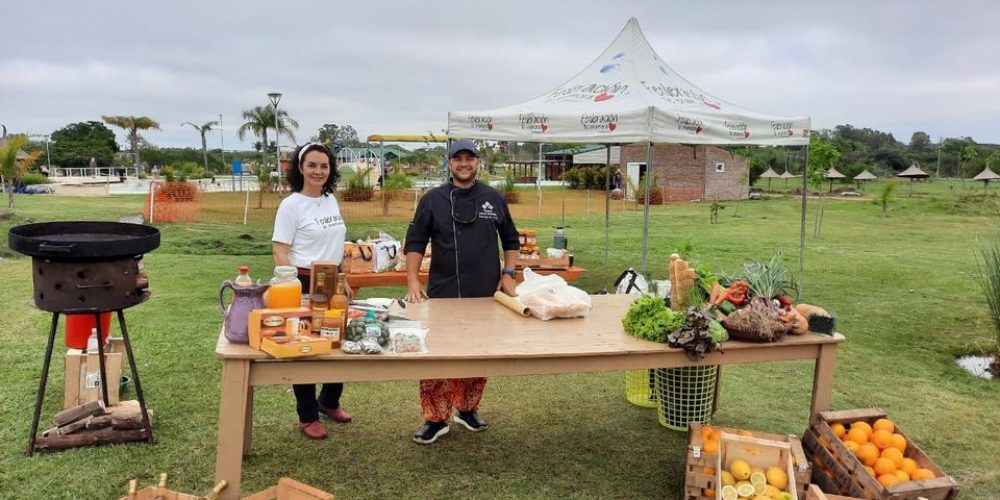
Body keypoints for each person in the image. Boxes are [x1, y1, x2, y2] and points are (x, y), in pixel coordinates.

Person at [403, 139, 521, 445]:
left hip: (484, 292)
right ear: (449, 163)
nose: (464, 163)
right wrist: (413, 280)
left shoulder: (493, 198)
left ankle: (467, 409)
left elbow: (510, 239)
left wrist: (508, 273)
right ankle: (435, 418)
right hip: (443, 290)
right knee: (437, 356)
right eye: (458, 159)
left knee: (478, 353)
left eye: (470, 158)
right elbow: (415, 241)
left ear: (478, 163)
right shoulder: (432, 199)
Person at [272, 142, 353, 440]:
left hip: (332, 279)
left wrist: (344, 278)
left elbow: (336, 245)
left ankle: (328, 401)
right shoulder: (291, 205)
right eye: (312, 165)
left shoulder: (331, 200)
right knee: (304, 347)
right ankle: (307, 414)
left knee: (337, 341)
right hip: (303, 279)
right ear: (300, 168)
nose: (319, 171)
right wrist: (292, 287)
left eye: (324, 166)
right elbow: (280, 251)